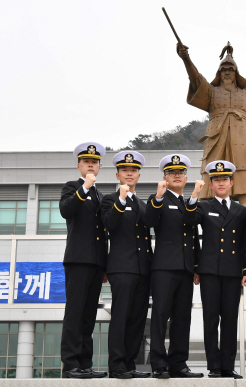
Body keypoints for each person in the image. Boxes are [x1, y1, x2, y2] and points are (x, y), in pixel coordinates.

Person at [184, 160, 246, 379]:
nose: (221, 183)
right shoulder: (203, 206)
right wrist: (194, 196)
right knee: (211, 319)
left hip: (233, 272)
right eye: (216, 180)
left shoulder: (241, 210)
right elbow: (188, 222)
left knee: (230, 320)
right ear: (211, 184)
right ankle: (214, 366)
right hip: (210, 271)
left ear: (231, 182)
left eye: (225, 179)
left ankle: (227, 366)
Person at [177, 42, 246, 206]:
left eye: (230, 70)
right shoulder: (211, 92)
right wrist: (186, 59)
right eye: (224, 70)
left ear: (236, 73)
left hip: (243, 140)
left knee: (244, 181)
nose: (227, 73)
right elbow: (195, 79)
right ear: (219, 73)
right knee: (214, 175)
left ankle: (245, 219)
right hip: (216, 138)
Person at [144, 154, 203, 379]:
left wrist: (196, 265)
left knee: (182, 318)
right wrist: (158, 198)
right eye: (171, 173)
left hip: (186, 269)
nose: (176, 176)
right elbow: (149, 221)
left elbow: (193, 233)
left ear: (186, 177)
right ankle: (159, 363)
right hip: (164, 268)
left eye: (180, 173)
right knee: (160, 315)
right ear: (164, 177)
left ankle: (178, 363)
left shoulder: (189, 203)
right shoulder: (157, 198)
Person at [100, 151, 151, 379]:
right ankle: (117, 366)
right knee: (120, 317)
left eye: (133, 170)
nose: (129, 174)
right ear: (118, 174)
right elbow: (110, 224)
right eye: (125, 170)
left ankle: (130, 363)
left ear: (138, 175)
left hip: (143, 268)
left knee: (137, 319)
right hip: (122, 267)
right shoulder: (110, 199)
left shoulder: (142, 203)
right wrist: (121, 200)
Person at [60, 142, 108, 379]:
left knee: (89, 315)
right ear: (79, 165)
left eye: (95, 162)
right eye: (87, 162)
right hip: (78, 260)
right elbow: (66, 210)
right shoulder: (72, 187)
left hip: (96, 262)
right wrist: (84, 188)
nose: (91, 165)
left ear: (99, 166)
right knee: (75, 313)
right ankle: (70, 365)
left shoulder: (99, 194)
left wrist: (105, 265)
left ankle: (85, 364)